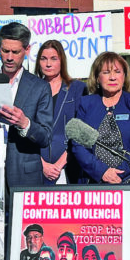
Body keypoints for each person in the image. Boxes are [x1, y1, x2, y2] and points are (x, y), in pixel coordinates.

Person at [0, 23, 52, 187]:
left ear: (27, 50)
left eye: (15, 52)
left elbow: (46, 137)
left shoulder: (40, 87)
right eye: (5, 51)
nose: (9, 57)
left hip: (25, 176)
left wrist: (25, 124)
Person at [72, 52, 130, 185]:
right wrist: (102, 171)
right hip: (95, 180)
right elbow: (78, 146)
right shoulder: (86, 104)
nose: (113, 77)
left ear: (124, 76)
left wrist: (118, 172)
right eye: (106, 72)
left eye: (117, 72)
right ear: (97, 77)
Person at [34, 40, 87, 184]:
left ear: (61, 61)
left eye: (53, 59)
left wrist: (59, 165)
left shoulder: (77, 88)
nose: (48, 64)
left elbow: (82, 132)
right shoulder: (31, 89)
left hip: (69, 167)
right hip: (38, 168)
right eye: (43, 59)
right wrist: (42, 164)